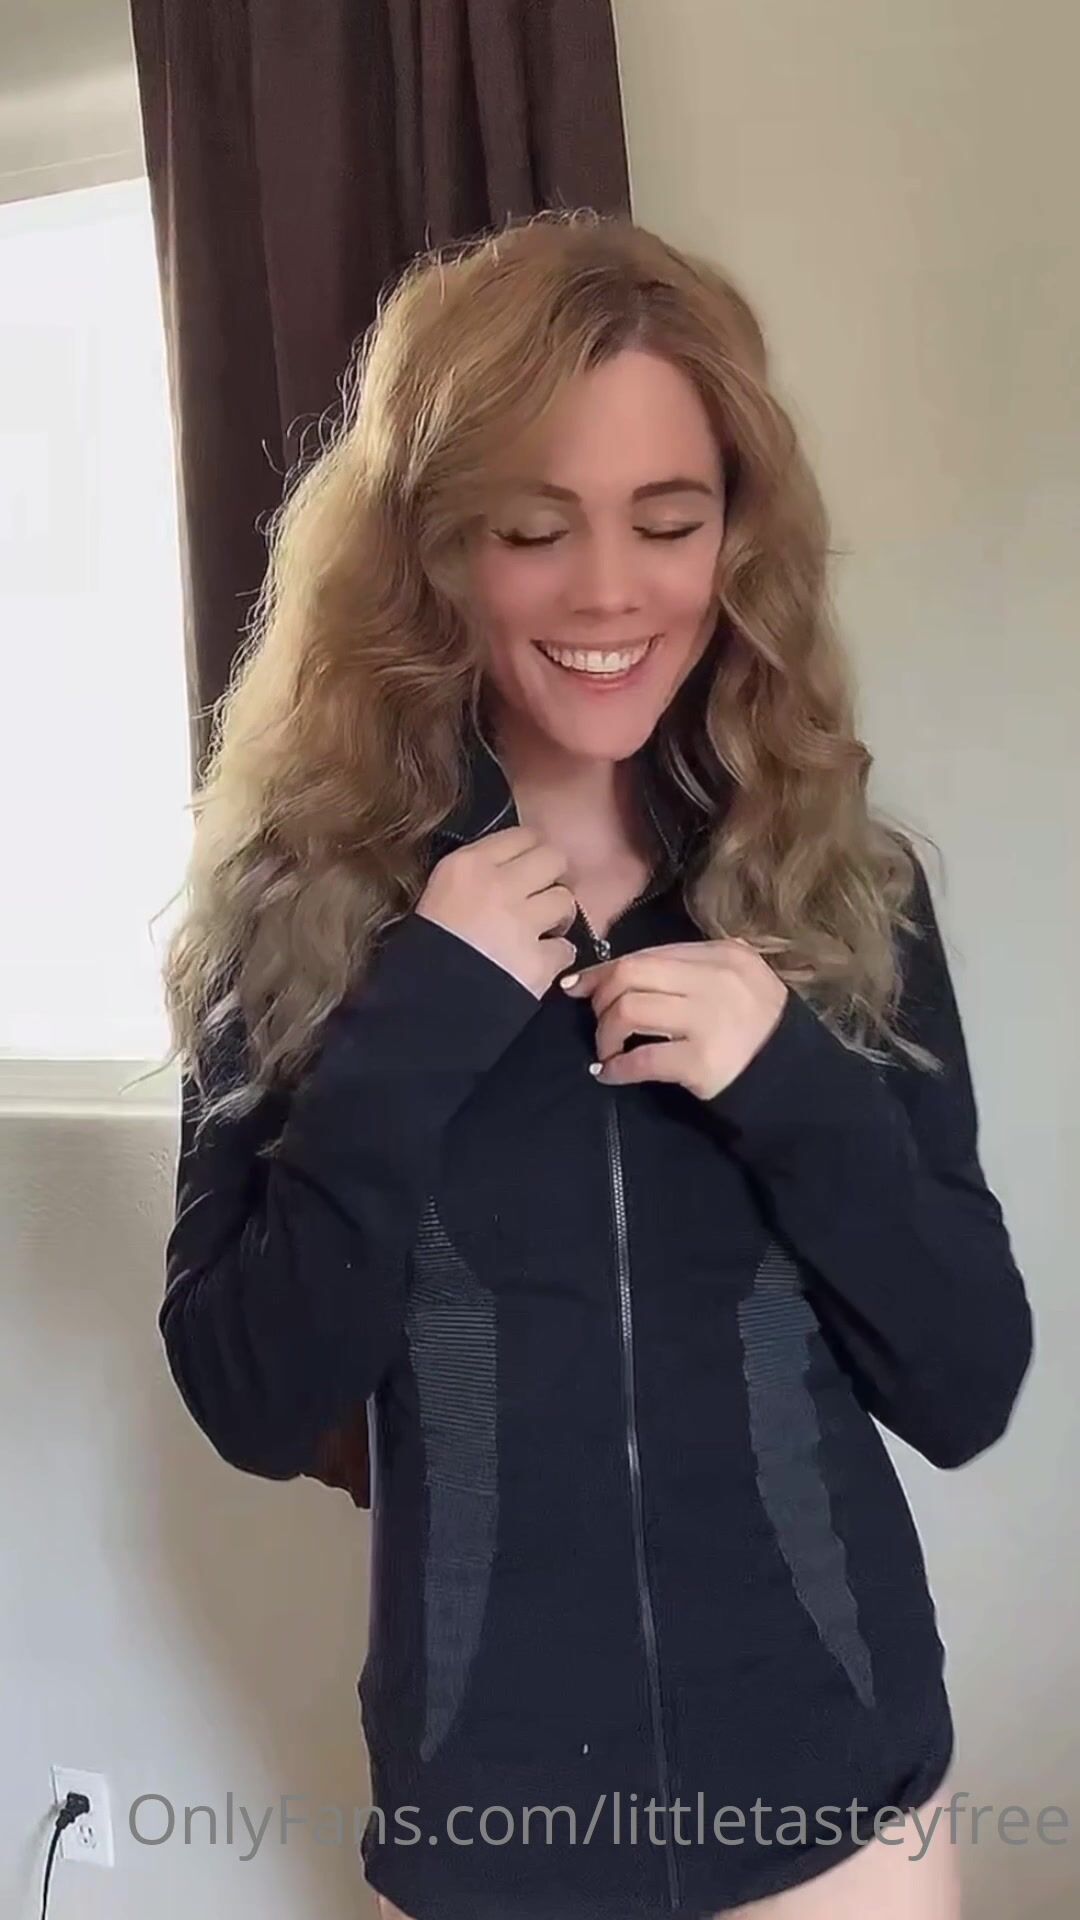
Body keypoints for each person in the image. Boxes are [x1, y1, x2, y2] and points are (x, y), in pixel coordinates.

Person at [158, 210, 1034, 1919]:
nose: (612, 590)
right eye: (534, 529)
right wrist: (416, 1023)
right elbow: (251, 1396)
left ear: (738, 537)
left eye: (670, 519)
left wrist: (789, 1079)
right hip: (493, 1845)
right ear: (431, 549)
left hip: (845, 1831)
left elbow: (966, 1382)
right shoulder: (299, 908)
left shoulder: (841, 891)